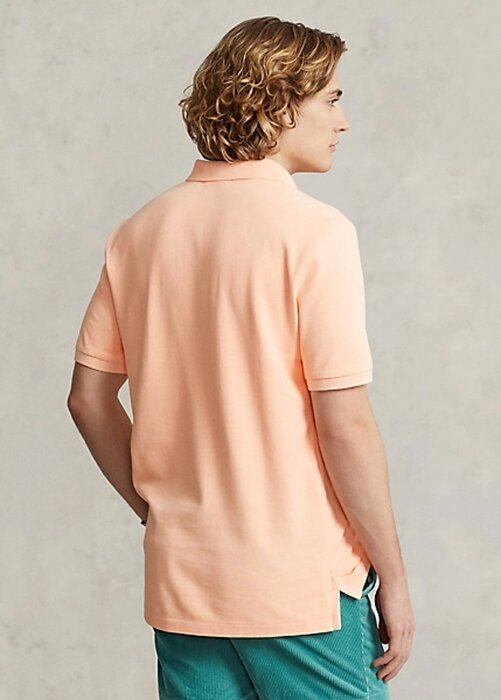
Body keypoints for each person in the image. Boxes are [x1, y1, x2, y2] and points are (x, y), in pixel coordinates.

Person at [67, 15, 415, 699]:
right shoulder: (313, 233)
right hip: (298, 586)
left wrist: (155, 510)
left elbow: (87, 398)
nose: (342, 121)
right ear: (277, 105)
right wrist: (395, 578)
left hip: (185, 580)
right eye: (331, 100)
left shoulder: (139, 232)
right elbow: (343, 421)